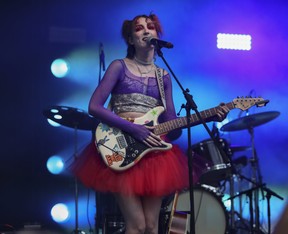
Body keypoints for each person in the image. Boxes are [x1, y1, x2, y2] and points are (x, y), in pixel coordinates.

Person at [71, 13, 229, 234]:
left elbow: (171, 127)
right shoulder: (119, 66)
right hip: (122, 144)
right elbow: (94, 107)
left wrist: (209, 117)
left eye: (151, 27)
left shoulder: (163, 76)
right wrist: (134, 128)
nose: (146, 31)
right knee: (137, 225)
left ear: (157, 35)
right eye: (139, 28)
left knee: (152, 226)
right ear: (131, 39)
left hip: (154, 151)